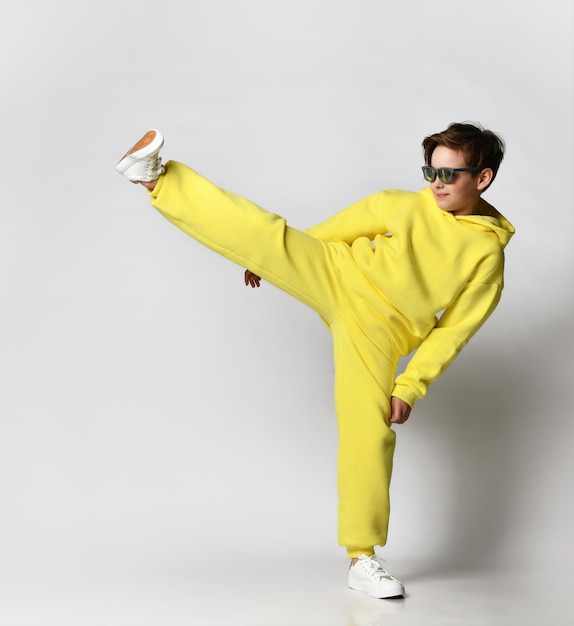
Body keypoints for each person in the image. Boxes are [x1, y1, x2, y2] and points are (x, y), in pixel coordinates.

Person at [115, 122, 515, 599]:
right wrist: (267, 257)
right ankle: (156, 178)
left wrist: (410, 386)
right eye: (431, 170)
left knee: (369, 431)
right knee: (269, 234)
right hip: (338, 275)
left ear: (483, 178)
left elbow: (455, 331)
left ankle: (361, 558)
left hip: (379, 332)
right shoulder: (404, 204)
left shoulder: (486, 254)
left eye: (450, 175)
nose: (436, 183)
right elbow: (328, 234)